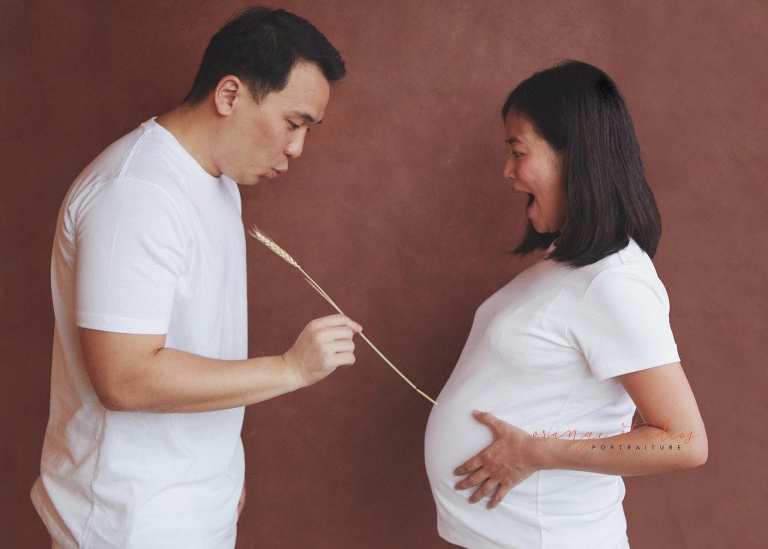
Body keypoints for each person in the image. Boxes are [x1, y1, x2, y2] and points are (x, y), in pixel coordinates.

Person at [30, 7, 361, 549]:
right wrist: (290, 369)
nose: (297, 148)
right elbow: (126, 379)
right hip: (128, 522)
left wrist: (222, 467)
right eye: (293, 123)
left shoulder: (218, 183)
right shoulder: (136, 192)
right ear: (229, 95)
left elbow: (202, 344)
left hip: (191, 507)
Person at [424, 60, 708, 549]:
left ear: (574, 158)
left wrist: (536, 453)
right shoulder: (568, 267)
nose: (508, 173)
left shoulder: (614, 281)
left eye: (518, 152)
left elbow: (683, 442)